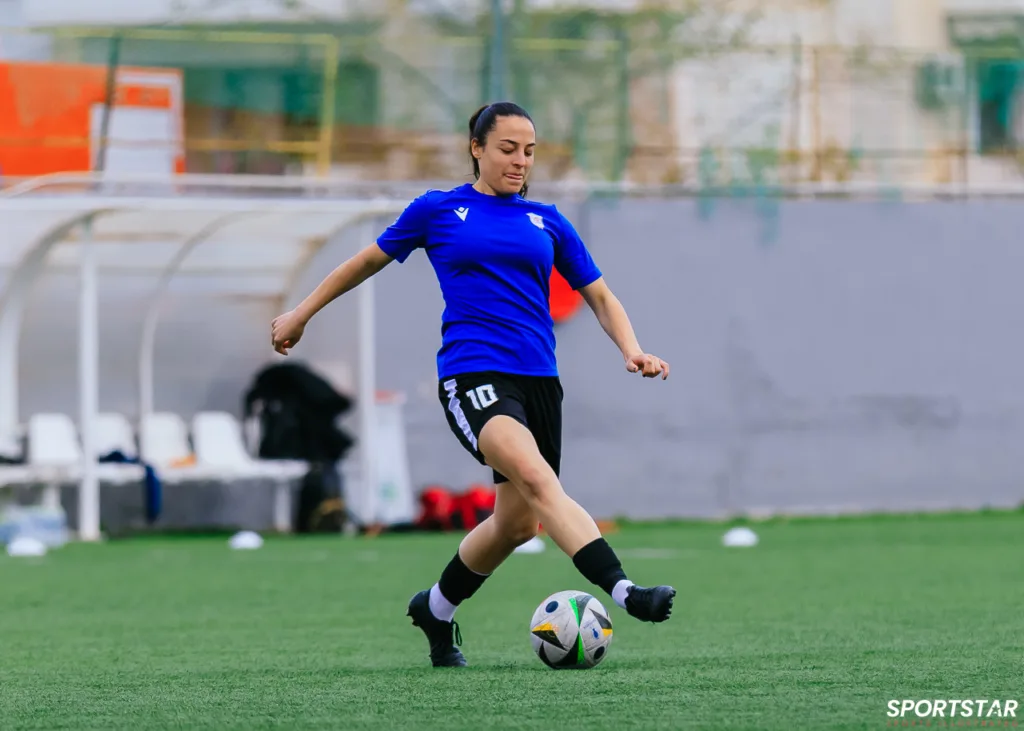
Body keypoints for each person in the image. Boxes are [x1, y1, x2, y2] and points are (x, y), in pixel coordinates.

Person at [270, 101, 676, 668]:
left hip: (540, 382)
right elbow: (364, 263)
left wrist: (633, 350)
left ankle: (434, 609)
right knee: (537, 478)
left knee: (516, 524)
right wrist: (300, 314)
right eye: (507, 149)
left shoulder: (547, 221)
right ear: (477, 148)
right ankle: (626, 592)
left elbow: (601, 297)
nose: (520, 161)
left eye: (528, 151)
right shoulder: (438, 210)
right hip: (474, 374)